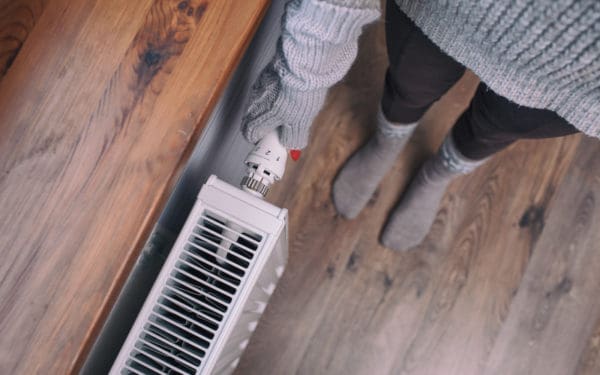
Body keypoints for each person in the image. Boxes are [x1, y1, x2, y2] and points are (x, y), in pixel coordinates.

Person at [241, 0, 600, 251]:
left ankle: (438, 174)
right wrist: (303, 77)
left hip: (578, 83)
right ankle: (387, 142)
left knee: (494, 129)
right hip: (447, 8)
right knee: (409, 86)